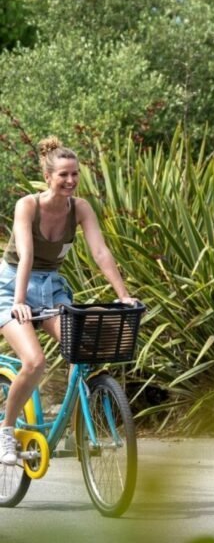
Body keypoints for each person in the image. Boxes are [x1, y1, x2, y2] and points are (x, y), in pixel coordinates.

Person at [0, 136, 136, 465]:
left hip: (52, 288)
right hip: (11, 287)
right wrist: (20, 301)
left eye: (75, 174)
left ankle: (74, 422)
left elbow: (101, 252)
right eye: (63, 175)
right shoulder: (27, 205)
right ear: (48, 177)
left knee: (82, 350)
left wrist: (124, 295)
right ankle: (5, 431)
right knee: (34, 362)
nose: (71, 181)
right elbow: (27, 253)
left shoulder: (81, 208)